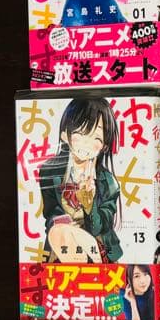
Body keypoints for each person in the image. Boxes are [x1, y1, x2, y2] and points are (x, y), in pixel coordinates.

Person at [41, 97, 121, 264]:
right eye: (81, 133)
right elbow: (50, 212)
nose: (86, 144)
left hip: (97, 246)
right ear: (65, 135)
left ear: (104, 145)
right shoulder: (49, 171)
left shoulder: (108, 183)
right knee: (61, 233)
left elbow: (102, 227)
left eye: (96, 138)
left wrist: (89, 205)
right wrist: (65, 224)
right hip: (63, 241)